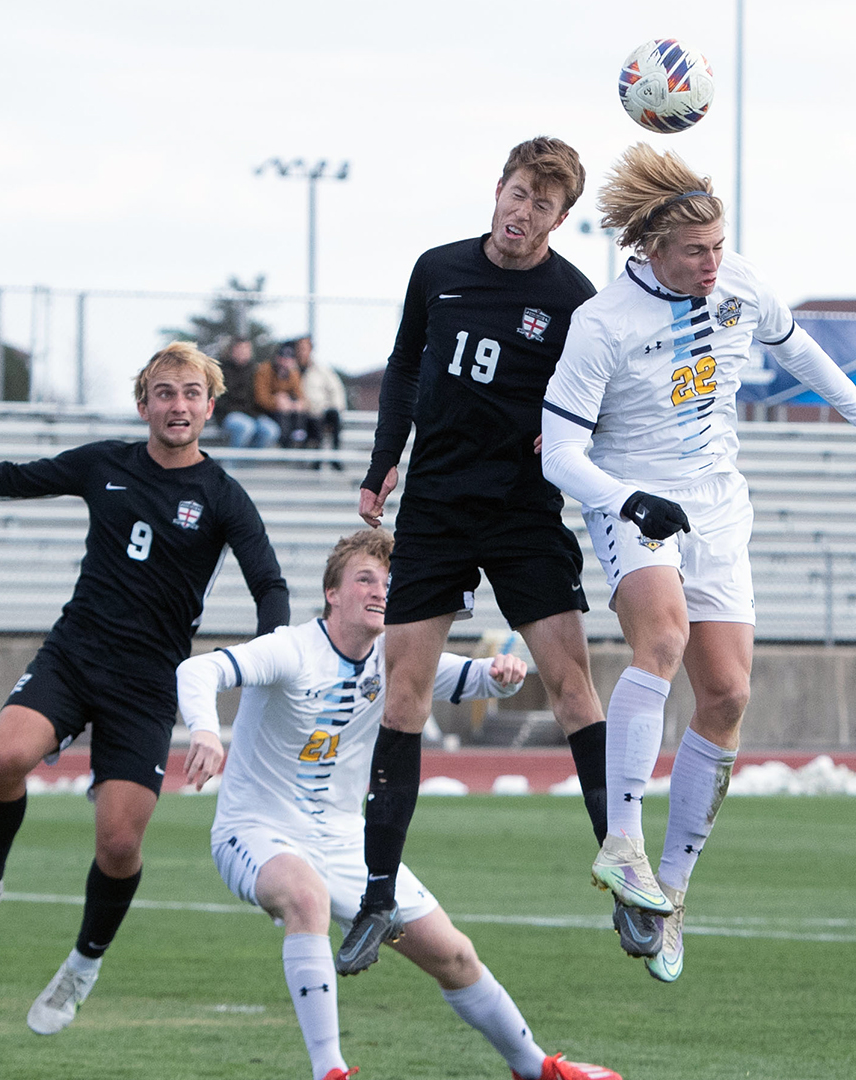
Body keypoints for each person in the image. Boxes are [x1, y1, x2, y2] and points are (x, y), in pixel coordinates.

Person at [538, 143, 856, 982]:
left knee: (729, 695)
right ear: (651, 248)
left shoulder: (738, 281)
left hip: (718, 504)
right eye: (694, 252)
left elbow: (797, 346)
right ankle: (623, 845)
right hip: (634, 496)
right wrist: (627, 499)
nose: (713, 263)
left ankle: (672, 894)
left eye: (718, 245)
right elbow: (558, 454)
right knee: (662, 642)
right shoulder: (602, 323)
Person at [0, 342, 291, 1034]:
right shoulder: (104, 463)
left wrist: (268, 662)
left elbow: (269, 584)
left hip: (148, 683)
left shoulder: (223, 496)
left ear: (210, 407)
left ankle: (83, 965)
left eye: (191, 394)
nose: (177, 405)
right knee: (5, 757)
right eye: (164, 392)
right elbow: (8, 478)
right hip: (75, 653)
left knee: (118, 845)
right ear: (143, 404)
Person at [175, 530, 620, 1080]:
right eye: (365, 579)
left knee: (454, 955)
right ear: (332, 593)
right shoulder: (291, 649)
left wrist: (503, 676)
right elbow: (197, 670)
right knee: (307, 898)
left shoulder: (396, 656)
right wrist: (204, 729)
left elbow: (474, 678)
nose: (379, 591)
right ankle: (330, 1071)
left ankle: (537, 1068)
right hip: (255, 831)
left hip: (345, 841)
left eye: (388, 582)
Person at [343, 137, 613, 974]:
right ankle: (377, 896)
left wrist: (567, 431)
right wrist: (384, 460)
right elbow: (402, 366)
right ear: (499, 189)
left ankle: (629, 877)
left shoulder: (576, 300)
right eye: (518, 193)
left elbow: (603, 396)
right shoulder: (437, 270)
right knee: (402, 697)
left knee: (573, 689)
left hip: (524, 515)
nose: (523, 213)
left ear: (560, 220)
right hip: (435, 508)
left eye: (543, 205)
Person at [220, 337, 282, 451]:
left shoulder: (257, 370)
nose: (243, 352)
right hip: (230, 413)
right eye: (240, 349)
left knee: (271, 430)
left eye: (246, 349)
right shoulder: (221, 370)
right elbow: (221, 399)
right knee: (246, 427)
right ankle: (233, 460)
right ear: (232, 350)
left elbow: (264, 394)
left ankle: (251, 460)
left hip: (254, 415)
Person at [296, 335, 346, 467]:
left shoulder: (322, 370)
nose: (302, 352)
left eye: (304, 348)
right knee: (314, 422)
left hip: (321, 409)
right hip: (302, 412)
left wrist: (336, 407)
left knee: (333, 416)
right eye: (299, 348)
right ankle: (316, 460)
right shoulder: (290, 370)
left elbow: (336, 390)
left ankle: (335, 456)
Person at [260, 341, 311, 448]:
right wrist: (276, 401)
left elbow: (300, 395)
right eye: (282, 359)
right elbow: (261, 398)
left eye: (288, 360)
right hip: (266, 412)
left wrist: (296, 403)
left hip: (288, 410)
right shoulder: (265, 370)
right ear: (277, 358)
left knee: (302, 415)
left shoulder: (293, 373)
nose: (284, 363)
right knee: (282, 417)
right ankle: (284, 446)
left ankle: (298, 442)